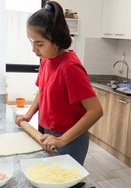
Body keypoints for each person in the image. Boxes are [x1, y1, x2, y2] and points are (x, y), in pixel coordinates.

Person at [15, 1, 103, 165]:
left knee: (67, 184)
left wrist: (62, 140)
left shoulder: (70, 68)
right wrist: (29, 114)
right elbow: (43, 91)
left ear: (57, 41)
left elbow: (96, 110)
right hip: (49, 132)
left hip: (71, 138)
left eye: (39, 43)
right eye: (31, 41)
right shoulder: (47, 60)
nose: (34, 49)